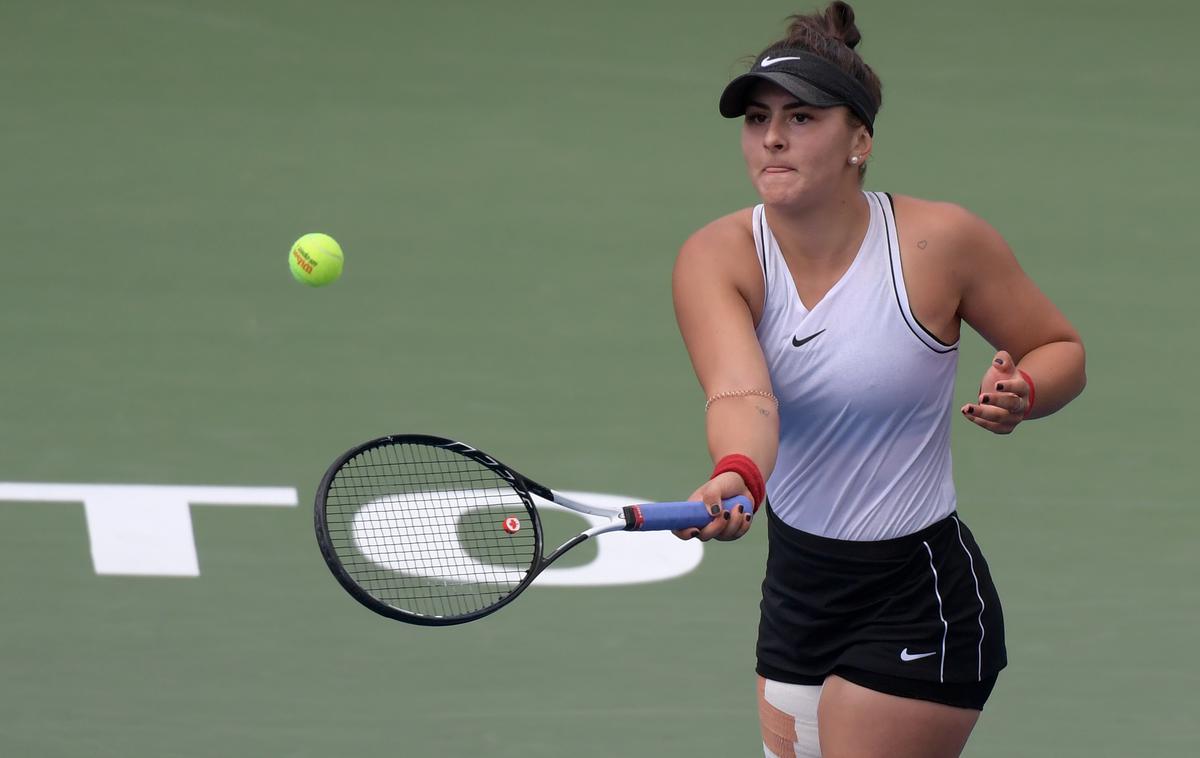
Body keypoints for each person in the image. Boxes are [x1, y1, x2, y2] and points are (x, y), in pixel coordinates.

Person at [670, 3, 1087, 756]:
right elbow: (742, 394)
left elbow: (1059, 348)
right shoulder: (717, 256)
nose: (771, 136)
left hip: (916, 597)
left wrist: (1026, 393)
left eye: (802, 118)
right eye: (758, 118)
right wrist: (737, 474)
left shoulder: (938, 243)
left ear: (859, 140)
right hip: (798, 589)